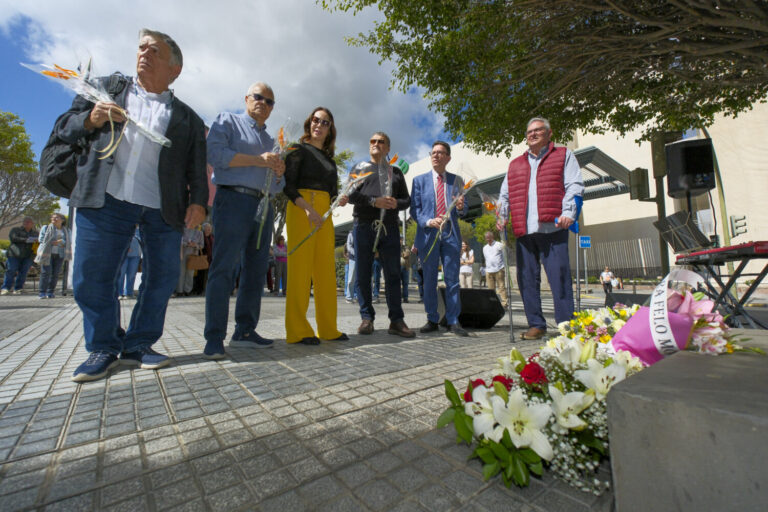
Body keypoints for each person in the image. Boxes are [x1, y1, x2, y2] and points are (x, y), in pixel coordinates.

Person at [55, 29, 208, 381]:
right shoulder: (106, 90)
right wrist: (92, 118)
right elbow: (65, 126)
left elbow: (196, 168)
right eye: (141, 47)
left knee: (163, 277)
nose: (144, 54)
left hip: (161, 207)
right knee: (91, 276)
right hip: (104, 199)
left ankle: (139, 344)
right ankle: (104, 347)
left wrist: (199, 203)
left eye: (154, 50)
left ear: (174, 69)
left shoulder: (189, 119)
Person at [204, 82, 285, 358]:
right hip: (233, 199)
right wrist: (259, 160)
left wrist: (277, 171)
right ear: (247, 98)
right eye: (258, 97)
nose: (263, 102)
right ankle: (214, 336)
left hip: (264, 204)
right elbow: (215, 155)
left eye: (270, 101)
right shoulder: (227, 120)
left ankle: (245, 330)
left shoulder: (273, 141)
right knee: (224, 267)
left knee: (256, 270)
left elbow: (277, 187)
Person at [498, 117, 584, 340]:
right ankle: (536, 324)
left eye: (538, 130)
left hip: (552, 229)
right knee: (526, 280)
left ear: (549, 133)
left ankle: (567, 325)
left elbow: (574, 185)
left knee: (560, 278)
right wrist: (502, 215)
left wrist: (568, 213)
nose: (532, 134)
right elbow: (504, 196)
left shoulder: (563, 155)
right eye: (529, 132)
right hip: (524, 231)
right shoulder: (515, 164)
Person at [283, 107, 348, 344]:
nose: (319, 125)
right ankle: (298, 331)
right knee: (300, 271)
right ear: (309, 123)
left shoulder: (330, 161)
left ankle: (329, 328)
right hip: (302, 208)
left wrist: (338, 199)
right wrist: (308, 209)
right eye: (315, 120)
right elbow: (288, 186)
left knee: (325, 272)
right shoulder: (297, 150)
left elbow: (331, 193)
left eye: (325, 122)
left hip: (325, 214)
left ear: (331, 129)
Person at [348, 131, 414, 337]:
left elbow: (406, 200)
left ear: (387, 148)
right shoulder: (360, 168)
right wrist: (373, 201)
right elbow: (350, 195)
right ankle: (367, 318)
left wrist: (396, 203)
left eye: (380, 142)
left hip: (390, 226)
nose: (375, 144)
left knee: (393, 273)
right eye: (372, 141)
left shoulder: (394, 172)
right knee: (363, 273)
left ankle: (396, 320)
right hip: (364, 224)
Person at [410, 141, 469, 336]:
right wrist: (428, 222)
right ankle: (432, 319)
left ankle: (453, 320)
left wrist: (460, 207)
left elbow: (464, 210)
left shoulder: (457, 180)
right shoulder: (419, 181)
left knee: (452, 279)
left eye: (440, 153)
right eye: (433, 152)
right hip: (428, 236)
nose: (436, 156)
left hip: (451, 235)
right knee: (429, 279)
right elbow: (415, 210)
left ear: (448, 157)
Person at [36, 213, 71, 299]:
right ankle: (42, 292)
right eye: (52, 217)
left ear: (62, 220)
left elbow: (68, 241)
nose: (54, 219)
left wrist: (61, 242)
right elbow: (41, 239)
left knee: (55, 274)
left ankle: (50, 291)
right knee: (45, 273)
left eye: (56, 218)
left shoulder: (66, 230)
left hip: (60, 254)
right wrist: (52, 242)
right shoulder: (46, 228)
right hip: (47, 254)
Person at [2, 217, 38, 295]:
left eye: (29, 222)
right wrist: (26, 240)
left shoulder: (35, 233)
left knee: (24, 272)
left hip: (28, 256)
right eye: (25, 221)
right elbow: (13, 238)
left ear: (32, 224)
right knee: (11, 270)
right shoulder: (16, 230)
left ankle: (18, 288)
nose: (26, 223)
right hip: (14, 254)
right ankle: (5, 288)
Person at [482, 231, 507, 306]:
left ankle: (504, 302)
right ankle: (493, 303)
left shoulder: (499, 245)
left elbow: (505, 254)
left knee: (501, 286)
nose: (488, 240)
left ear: (492, 237)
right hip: (489, 270)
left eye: (489, 238)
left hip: (498, 269)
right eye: (486, 238)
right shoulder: (485, 247)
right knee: (491, 289)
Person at [176, 226, 203, 296]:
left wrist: (195, 245)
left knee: (190, 274)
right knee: (181, 272)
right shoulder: (182, 230)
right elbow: (178, 241)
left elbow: (202, 245)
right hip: (183, 254)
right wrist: (187, 244)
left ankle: (187, 290)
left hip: (193, 255)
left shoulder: (200, 233)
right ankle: (180, 290)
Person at [119, 228, 142, 299]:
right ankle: (119, 293)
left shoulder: (139, 229)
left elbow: (141, 239)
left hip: (136, 255)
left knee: (132, 274)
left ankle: (129, 293)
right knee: (121, 274)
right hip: (123, 254)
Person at [400, 238, 411, 302]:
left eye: (401, 240)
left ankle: (405, 297)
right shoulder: (395, 247)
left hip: (405, 268)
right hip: (398, 267)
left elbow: (407, 254)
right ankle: (398, 297)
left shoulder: (405, 247)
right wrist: (403, 254)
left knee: (405, 283)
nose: (400, 241)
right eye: (399, 239)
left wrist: (403, 254)